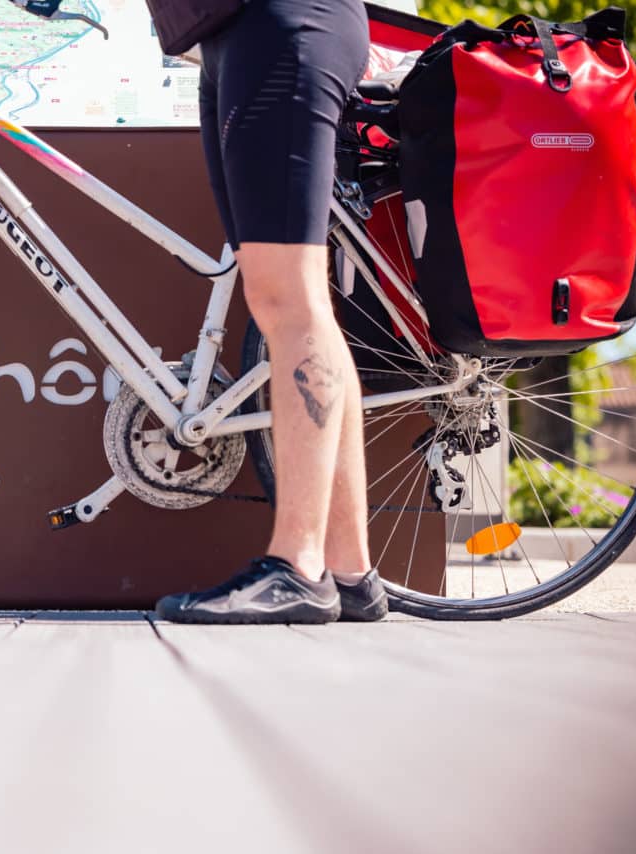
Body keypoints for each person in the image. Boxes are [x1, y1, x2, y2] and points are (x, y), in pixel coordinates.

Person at [151, 0, 389, 624]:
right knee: (285, 292)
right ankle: (348, 568)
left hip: (284, 24)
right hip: (233, 36)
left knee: (289, 294)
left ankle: (299, 566)